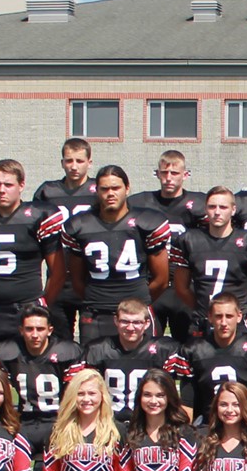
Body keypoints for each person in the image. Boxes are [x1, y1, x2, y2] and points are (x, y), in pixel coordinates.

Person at [60, 164, 174, 345]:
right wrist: (97, 297)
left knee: (144, 366)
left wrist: (139, 300)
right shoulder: (79, 225)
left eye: (116, 188)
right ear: (96, 190)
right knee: (92, 368)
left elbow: (161, 279)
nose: (110, 193)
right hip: (97, 312)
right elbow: (77, 279)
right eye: (104, 189)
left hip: (136, 313)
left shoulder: (147, 222)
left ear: (127, 188)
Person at [0, 159, 65, 345]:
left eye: (8, 184)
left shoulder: (38, 216)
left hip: (27, 308)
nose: (2, 190)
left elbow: (57, 271)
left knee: (26, 368)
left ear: (22, 185)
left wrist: (41, 304)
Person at [170, 184, 247, 332]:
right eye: (212, 207)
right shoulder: (188, 240)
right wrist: (203, 309)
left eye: (223, 207)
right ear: (206, 209)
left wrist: (241, 310)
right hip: (202, 320)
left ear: (233, 210)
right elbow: (181, 288)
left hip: (238, 323)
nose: (217, 212)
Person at [128, 150, 206, 341]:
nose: (169, 178)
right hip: (153, 282)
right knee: (147, 344)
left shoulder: (199, 204)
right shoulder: (140, 203)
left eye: (175, 173)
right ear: (157, 174)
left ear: (185, 175)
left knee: (188, 344)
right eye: (164, 173)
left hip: (185, 284)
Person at [32, 138, 98, 339]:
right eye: (69, 161)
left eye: (79, 160)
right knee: (59, 342)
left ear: (89, 162)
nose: (74, 166)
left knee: (91, 343)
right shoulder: (47, 191)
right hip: (58, 277)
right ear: (62, 162)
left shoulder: (99, 190)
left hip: (90, 277)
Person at [0, 304, 85, 452]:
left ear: (50, 330)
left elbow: (80, 393)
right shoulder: (7, 351)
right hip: (24, 421)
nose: (35, 335)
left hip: (60, 420)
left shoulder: (68, 352)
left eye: (40, 329)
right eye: (29, 329)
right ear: (21, 330)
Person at [82, 298, 187, 422]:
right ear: (116, 321)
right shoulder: (98, 349)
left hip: (149, 422)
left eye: (137, 322)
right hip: (109, 422)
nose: (130, 327)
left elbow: (187, 387)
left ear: (147, 323)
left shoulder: (164, 349)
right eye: (125, 321)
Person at [177, 293, 247, 417]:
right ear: (210, 317)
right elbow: (187, 402)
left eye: (229, 316)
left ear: (239, 316)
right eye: (218, 316)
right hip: (208, 423)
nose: (224, 322)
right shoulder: (193, 350)